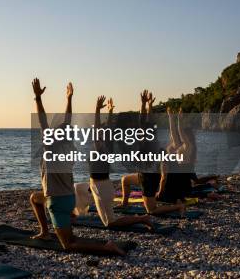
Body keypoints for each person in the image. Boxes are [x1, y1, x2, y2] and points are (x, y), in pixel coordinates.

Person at [29, 79, 126, 256]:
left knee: (68, 244)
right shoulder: (69, 147)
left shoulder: (52, 147)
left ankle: (107, 247)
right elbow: (67, 120)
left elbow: (43, 121)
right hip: (68, 197)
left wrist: (37, 98)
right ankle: (46, 231)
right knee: (35, 198)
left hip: (57, 201)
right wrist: (69, 98)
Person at [75, 95, 154, 230]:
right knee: (76, 188)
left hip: (101, 188)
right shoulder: (105, 147)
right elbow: (106, 128)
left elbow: (98, 128)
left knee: (110, 223)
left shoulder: (102, 148)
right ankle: (73, 213)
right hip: (96, 185)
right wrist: (110, 111)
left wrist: (98, 110)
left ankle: (142, 218)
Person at [120, 91, 185, 216]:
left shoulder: (145, 143)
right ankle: (124, 203)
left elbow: (143, 119)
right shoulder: (150, 138)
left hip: (148, 179)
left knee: (151, 210)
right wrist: (147, 104)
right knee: (125, 180)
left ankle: (178, 207)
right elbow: (147, 119)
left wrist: (144, 104)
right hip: (144, 174)